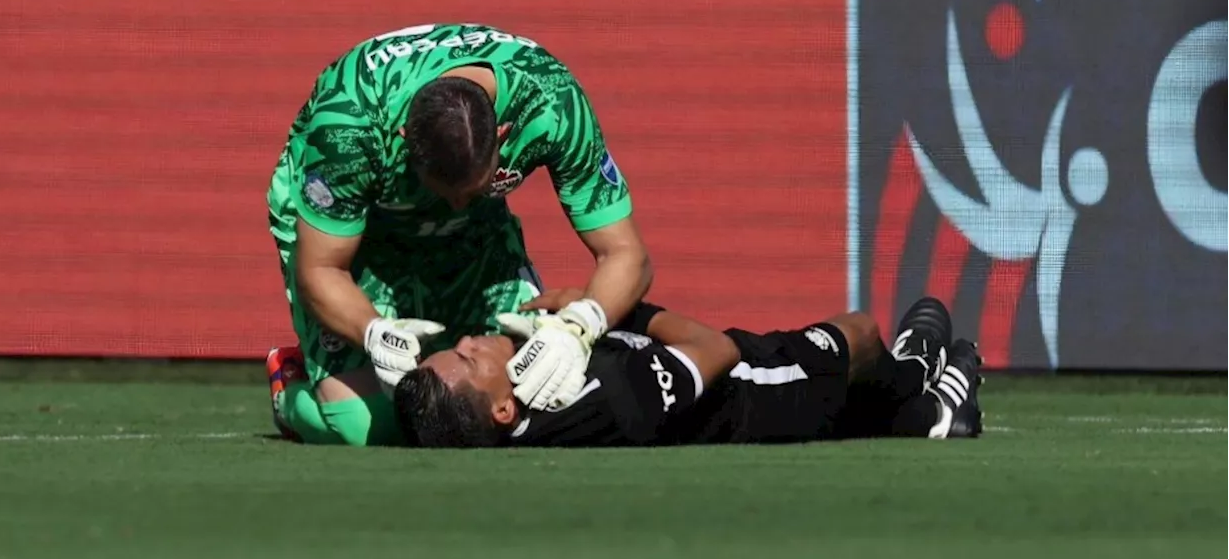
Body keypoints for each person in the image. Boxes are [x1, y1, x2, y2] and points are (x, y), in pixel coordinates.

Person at [264, 24, 653, 446]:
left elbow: (626, 253)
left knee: (537, 398)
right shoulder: (349, 127)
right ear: (403, 141)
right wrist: (372, 331)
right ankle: (292, 391)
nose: (454, 206)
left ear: (503, 136)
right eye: (441, 191)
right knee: (363, 426)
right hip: (358, 230)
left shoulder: (553, 103)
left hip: (479, 230)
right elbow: (321, 267)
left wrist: (579, 328)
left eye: (475, 188)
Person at [394, 295, 982, 448]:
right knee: (858, 333)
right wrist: (609, 311)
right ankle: (925, 394)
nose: (471, 339)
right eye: (470, 357)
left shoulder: (531, 401)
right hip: (756, 388)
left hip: (719, 393)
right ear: (502, 410)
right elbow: (716, 349)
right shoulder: (609, 399)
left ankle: (925, 401)